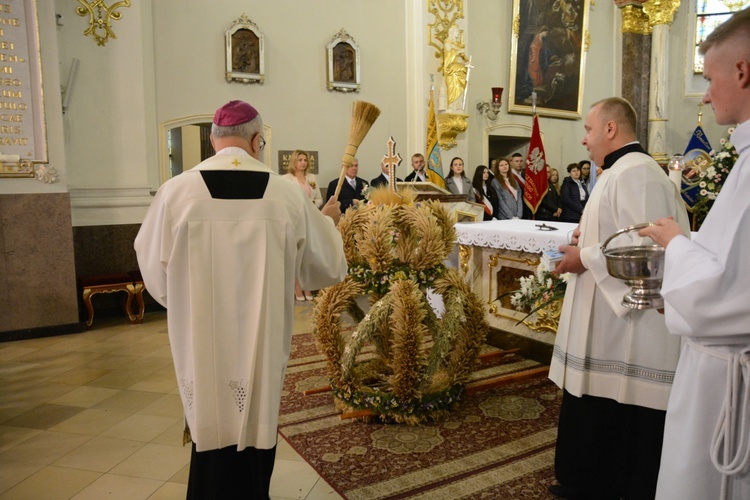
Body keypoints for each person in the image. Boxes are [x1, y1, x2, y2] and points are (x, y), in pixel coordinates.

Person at [134, 100, 348, 499]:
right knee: (254, 433)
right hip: (261, 344)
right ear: (257, 139)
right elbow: (326, 269)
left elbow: (154, 273)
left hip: (201, 341)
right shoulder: (285, 195)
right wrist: (329, 225)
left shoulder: (176, 192)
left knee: (209, 438)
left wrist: (186, 303)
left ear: (213, 141)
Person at [548, 97, 690, 499]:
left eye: (589, 129)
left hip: (632, 326)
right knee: (598, 403)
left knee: (623, 410)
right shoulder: (620, 171)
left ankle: (609, 485)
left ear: (611, 128)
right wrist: (585, 239)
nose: (584, 140)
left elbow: (647, 247)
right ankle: (587, 480)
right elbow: (618, 231)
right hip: (608, 317)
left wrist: (584, 257)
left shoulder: (638, 173)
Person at [639, 9, 750, 499]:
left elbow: (722, 293)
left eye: (709, 79)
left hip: (725, 381)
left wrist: (674, 243)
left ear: (743, 72)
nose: (704, 95)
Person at [282, 149, 323, 301]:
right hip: (294, 221)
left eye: (305, 160)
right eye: (300, 160)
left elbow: (318, 198)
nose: (303, 163)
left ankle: (307, 287)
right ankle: (296, 286)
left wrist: (312, 206)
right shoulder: (286, 179)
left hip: (309, 220)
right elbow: (286, 201)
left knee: (308, 255)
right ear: (294, 161)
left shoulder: (311, 178)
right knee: (296, 254)